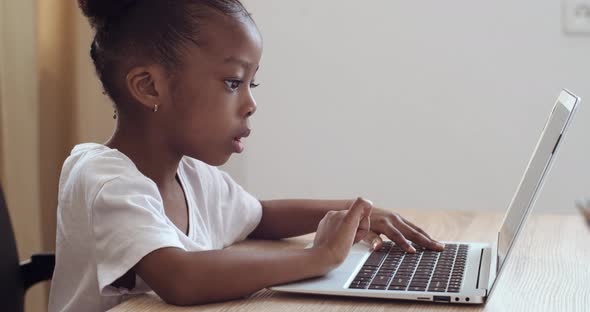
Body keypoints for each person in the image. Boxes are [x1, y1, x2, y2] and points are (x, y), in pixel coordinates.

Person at [48, 1, 445, 311]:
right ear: (149, 87)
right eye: (233, 82)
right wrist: (319, 257)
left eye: (251, 83)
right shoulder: (104, 179)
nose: (251, 104)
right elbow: (180, 278)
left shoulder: (192, 176)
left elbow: (261, 216)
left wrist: (358, 212)